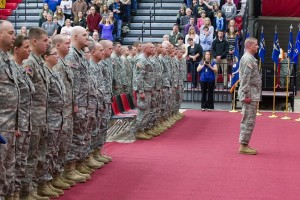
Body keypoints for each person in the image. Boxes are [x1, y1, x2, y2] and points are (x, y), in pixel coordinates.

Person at [20, 27, 50, 200]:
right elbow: (25, 94)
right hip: (32, 117)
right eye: (45, 40)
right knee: (31, 156)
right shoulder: (29, 63)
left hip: (42, 115)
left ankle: (36, 188)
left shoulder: (38, 61)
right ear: (34, 41)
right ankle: (26, 192)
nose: (47, 43)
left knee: (39, 154)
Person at [11, 35, 34, 200]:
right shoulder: (11, 68)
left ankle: (19, 194)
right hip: (14, 123)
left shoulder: (23, 69)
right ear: (16, 49)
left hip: (26, 121)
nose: (29, 50)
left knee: (21, 161)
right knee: (12, 162)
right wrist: (16, 125)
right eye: (26, 47)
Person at [0, 20, 19, 200]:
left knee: (8, 166)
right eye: (11, 32)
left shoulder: (7, 58)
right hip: (1, 124)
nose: (14, 36)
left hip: (9, 123)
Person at [238, 37, 260, 155]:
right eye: (255, 45)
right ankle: (243, 145)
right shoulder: (247, 59)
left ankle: (245, 143)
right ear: (249, 46)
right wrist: (247, 94)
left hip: (251, 93)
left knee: (250, 120)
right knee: (248, 120)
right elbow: (245, 79)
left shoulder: (250, 58)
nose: (257, 46)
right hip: (249, 94)